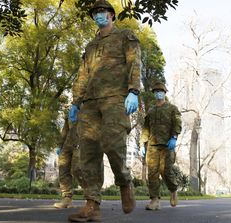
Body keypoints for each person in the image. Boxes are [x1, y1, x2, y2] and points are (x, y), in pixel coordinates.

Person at [68, 0, 141, 221]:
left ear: (111, 15)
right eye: (95, 13)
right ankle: (92, 205)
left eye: (102, 12)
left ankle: (124, 182)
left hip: (115, 98)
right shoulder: (90, 46)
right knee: (88, 153)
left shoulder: (124, 36)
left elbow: (135, 62)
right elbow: (83, 74)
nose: (99, 15)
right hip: (90, 102)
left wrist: (134, 91)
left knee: (112, 143)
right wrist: (75, 101)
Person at [140, 82, 182, 210]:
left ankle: (173, 190)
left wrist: (174, 137)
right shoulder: (151, 110)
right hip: (152, 145)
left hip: (167, 144)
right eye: (156, 91)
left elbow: (177, 122)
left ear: (165, 93)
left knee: (166, 171)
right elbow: (146, 128)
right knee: (152, 173)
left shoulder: (172, 108)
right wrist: (142, 143)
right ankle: (154, 200)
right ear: (154, 94)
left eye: (161, 91)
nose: (159, 93)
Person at [53, 116, 83, 208]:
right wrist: (60, 144)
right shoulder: (71, 110)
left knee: (77, 168)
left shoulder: (89, 104)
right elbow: (65, 129)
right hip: (68, 143)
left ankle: (92, 195)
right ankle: (67, 198)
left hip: (82, 141)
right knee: (63, 167)